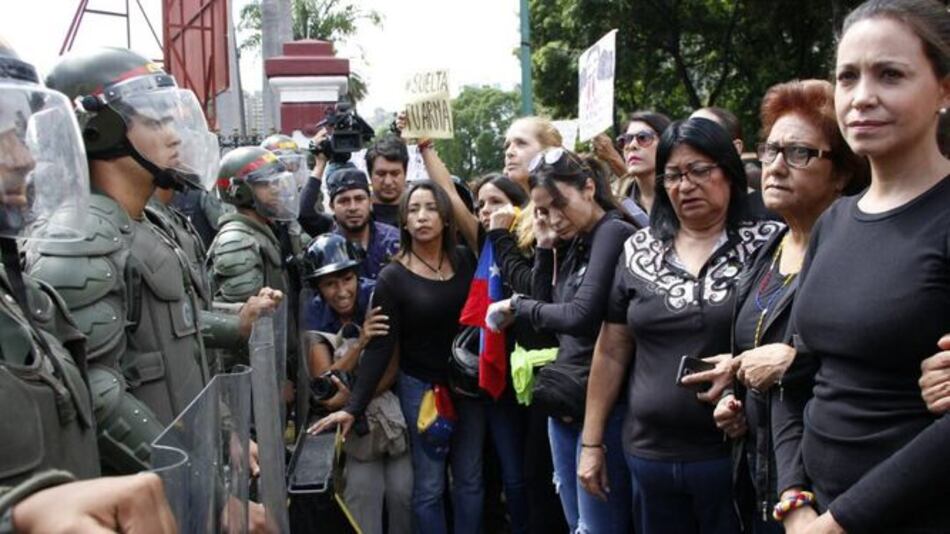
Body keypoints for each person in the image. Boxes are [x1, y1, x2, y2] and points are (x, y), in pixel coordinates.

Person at [27, 47, 280, 473]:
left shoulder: (146, 223)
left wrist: (223, 434)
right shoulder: (79, 236)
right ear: (99, 129)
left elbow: (179, 344)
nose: (174, 135)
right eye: (154, 120)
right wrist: (199, 482)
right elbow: (97, 393)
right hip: (149, 492)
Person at [769, 1, 950, 532]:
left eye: (890, 75)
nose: (863, 97)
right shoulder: (835, 221)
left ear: (944, 89)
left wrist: (839, 523)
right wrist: (793, 497)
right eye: (848, 77)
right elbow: (798, 374)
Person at [0, 37, 176, 533]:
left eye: (18, 130)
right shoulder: (77, 244)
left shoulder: (23, 298)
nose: (23, 158)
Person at [683, 79, 868, 534]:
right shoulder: (769, 248)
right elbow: (754, 349)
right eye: (771, 151)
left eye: (799, 153)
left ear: (841, 172)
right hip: (759, 480)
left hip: (833, 494)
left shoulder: (860, 250)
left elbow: (874, 356)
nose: (776, 167)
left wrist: (793, 362)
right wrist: (734, 397)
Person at [580, 117, 781, 534]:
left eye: (699, 171)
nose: (685, 185)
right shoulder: (639, 249)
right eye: (672, 175)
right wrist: (591, 442)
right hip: (649, 457)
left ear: (729, 170)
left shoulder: (770, 244)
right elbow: (613, 348)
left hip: (738, 458)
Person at [311, 181, 482, 534]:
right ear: (403, 221)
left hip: (469, 388)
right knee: (430, 487)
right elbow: (380, 348)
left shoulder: (466, 260)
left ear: (447, 218)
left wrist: (427, 152)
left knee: (469, 480)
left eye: (431, 208)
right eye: (414, 209)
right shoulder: (393, 277)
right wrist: (353, 407)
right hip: (421, 389)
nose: (422, 217)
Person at [487, 149, 637, 533]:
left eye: (559, 205)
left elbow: (581, 316)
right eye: (542, 210)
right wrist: (543, 245)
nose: (555, 218)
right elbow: (545, 319)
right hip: (567, 401)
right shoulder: (573, 238)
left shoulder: (613, 231)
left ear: (588, 188)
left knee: (599, 526)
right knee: (577, 524)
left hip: (605, 406)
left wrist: (518, 306)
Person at [300, 233, 411, 534]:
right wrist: (361, 343)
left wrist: (353, 398)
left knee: (404, 493)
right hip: (354, 431)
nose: (340, 291)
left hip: (392, 415)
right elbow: (325, 389)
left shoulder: (378, 296)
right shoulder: (314, 313)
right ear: (318, 288)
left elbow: (390, 369)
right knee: (361, 494)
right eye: (329, 284)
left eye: (346, 279)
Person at [325, 167, 400, 280]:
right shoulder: (327, 250)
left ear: (370, 202)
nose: (353, 208)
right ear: (332, 206)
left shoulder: (394, 240)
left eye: (359, 199)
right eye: (344, 201)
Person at [612, 111, 671, 225]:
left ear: (666, 143)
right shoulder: (615, 202)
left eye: (643, 137)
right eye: (625, 140)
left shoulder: (684, 194)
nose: (631, 146)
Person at [365, 135, 410, 228]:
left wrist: (425, 146)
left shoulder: (418, 214)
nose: (388, 182)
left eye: (395, 174)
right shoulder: (358, 215)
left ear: (405, 173)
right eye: (381, 174)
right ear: (370, 175)